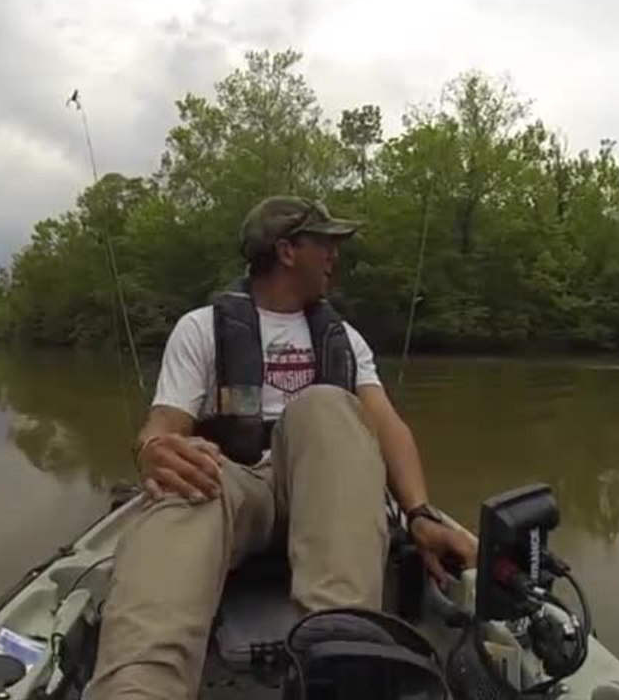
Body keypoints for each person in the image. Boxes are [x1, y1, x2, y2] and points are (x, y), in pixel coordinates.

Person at [83, 196, 478, 700]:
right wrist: (153, 451)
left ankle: (340, 655)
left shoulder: (344, 338)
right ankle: (138, 687)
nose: (336, 255)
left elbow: (388, 427)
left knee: (325, 406)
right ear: (288, 250)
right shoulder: (201, 328)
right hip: (238, 487)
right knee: (185, 478)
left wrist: (420, 513)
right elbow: (163, 425)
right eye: (326, 243)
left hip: (327, 491)